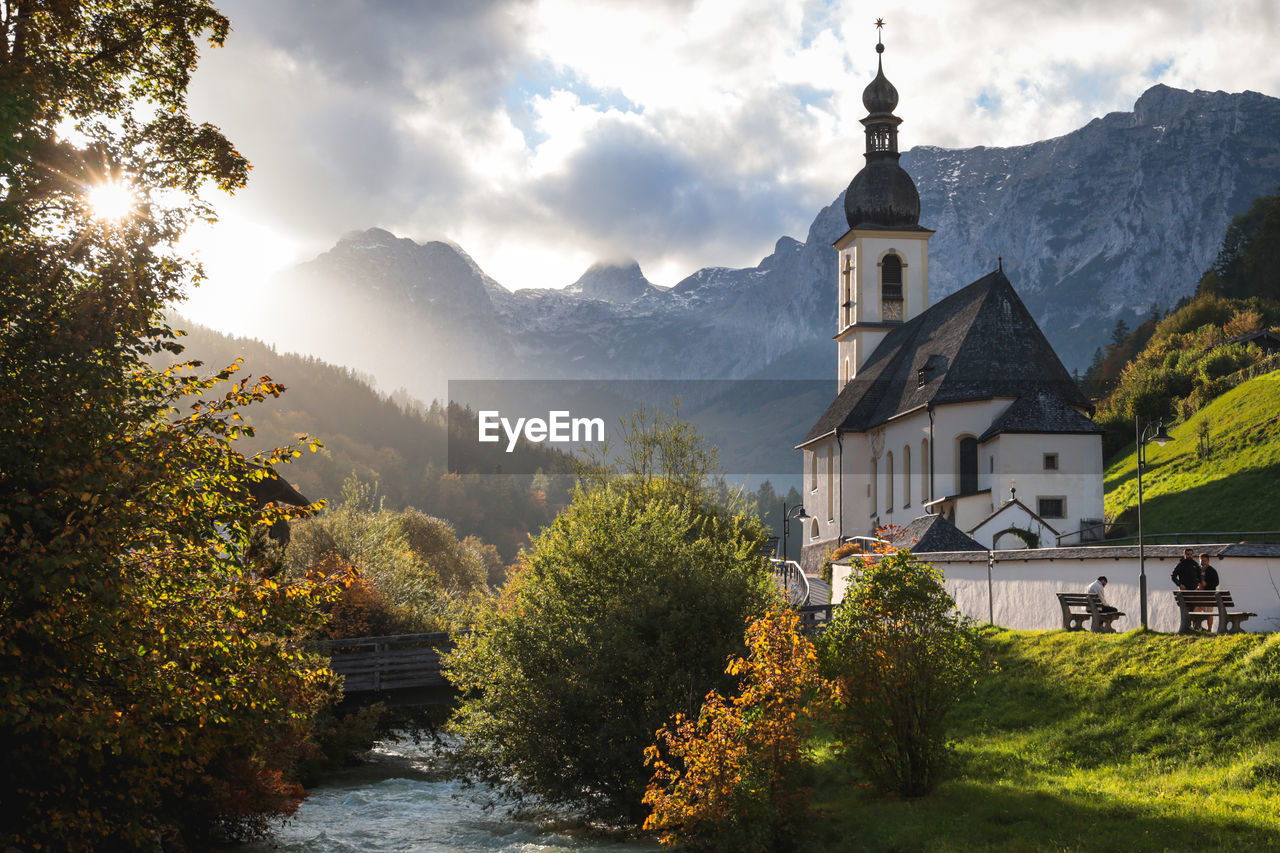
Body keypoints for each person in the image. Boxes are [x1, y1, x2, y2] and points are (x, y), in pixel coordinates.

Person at [1198, 553, 1221, 631]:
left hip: (1209, 595)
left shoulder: (1212, 571)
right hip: (1198, 596)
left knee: (1209, 613)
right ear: (1199, 561)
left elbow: (1216, 582)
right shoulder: (1197, 570)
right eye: (1202, 561)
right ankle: (1196, 627)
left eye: (1205, 561)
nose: (1203, 562)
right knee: (1195, 611)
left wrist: (1206, 584)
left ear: (1208, 561)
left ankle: (1209, 629)